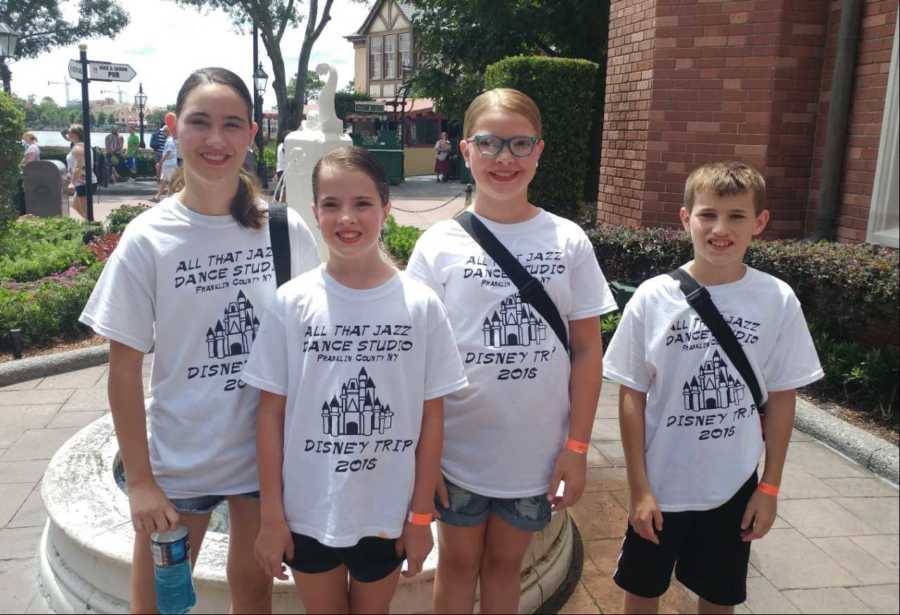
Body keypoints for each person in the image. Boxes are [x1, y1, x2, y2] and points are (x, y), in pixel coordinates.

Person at [78, 66, 320, 613]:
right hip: (183, 459)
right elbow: (122, 368)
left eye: (232, 124)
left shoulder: (283, 229)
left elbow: (310, 342)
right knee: (160, 602)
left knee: (254, 591)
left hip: (266, 455)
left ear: (252, 134)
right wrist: (138, 481)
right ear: (174, 127)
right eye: (200, 122)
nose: (217, 140)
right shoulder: (149, 239)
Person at [406, 88, 618, 614]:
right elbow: (418, 359)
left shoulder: (567, 240)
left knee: (507, 567)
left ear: (539, 151)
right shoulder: (437, 245)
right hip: (457, 450)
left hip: (535, 454)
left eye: (520, 144)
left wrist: (576, 448)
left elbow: (588, 351)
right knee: (455, 566)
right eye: (490, 143)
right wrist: (422, 456)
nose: (505, 158)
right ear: (466, 150)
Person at [245, 146, 467, 613]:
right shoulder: (292, 303)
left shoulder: (420, 304)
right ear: (315, 213)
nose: (347, 217)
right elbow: (270, 414)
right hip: (310, 510)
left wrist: (420, 516)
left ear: (386, 209)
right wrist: (271, 516)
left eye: (362, 203)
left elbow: (432, 419)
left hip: (384, 512)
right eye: (331, 204)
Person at [603, 161, 824, 614]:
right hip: (661, 484)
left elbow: (782, 398)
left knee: (719, 599)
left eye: (736, 216)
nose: (720, 229)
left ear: (759, 223)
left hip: (732, 487)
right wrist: (638, 488)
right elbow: (631, 394)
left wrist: (770, 488)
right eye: (707, 214)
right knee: (642, 594)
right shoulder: (653, 296)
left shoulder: (776, 299)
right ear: (686, 219)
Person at [64, 124, 98, 219]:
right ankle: (91, 226)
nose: (67, 133)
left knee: (87, 212)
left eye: (69, 132)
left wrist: (72, 183)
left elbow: (78, 167)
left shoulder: (79, 148)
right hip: (83, 183)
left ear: (75, 134)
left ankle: (94, 229)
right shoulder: (80, 146)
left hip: (84, 183)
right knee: (75, 205)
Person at [153, 132, 178, 202]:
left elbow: (168, 152)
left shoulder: (170, 141)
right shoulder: (169, 140)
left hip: (169, 164)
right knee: (163, 181)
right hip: (167, 164)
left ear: (166, 132)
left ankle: (168, 197)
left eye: (163, 132)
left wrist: (161, 162)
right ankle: (158, 196)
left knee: (170, 181)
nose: (162, 133)